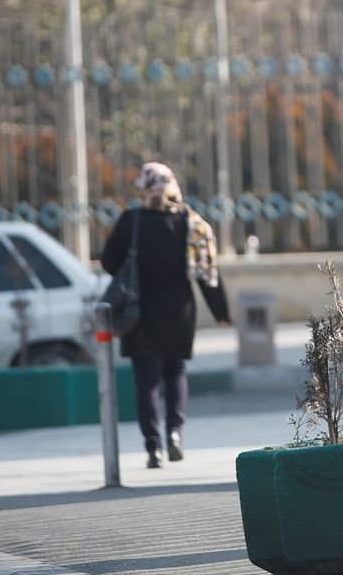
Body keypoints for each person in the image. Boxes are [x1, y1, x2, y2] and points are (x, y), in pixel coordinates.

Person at [101, 162, 230, 469]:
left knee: (146, 382)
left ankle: (153, 448)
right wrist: (221, 311)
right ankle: (175, 433)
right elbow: (206, 272)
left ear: (141, 188)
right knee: (175, 373)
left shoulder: (131, 221)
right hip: (179, 312)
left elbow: (108, 262)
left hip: (140, 314)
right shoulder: (190, 222)